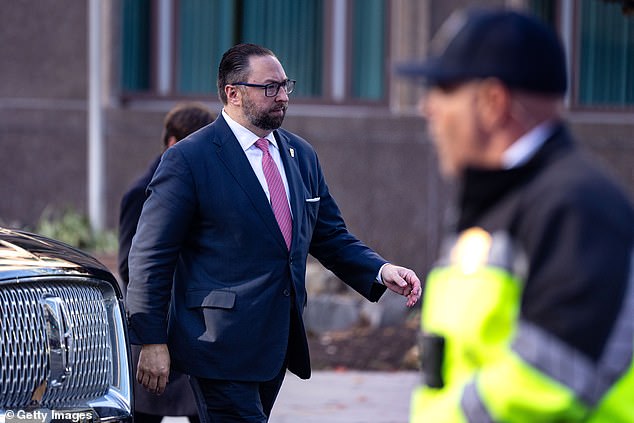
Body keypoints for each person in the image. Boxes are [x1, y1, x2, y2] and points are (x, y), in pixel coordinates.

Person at [126, 43, 422, 422]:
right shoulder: (188, 159)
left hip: (275, 345)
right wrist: (150, 339)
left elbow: (329, 235)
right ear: (233, 93)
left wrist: (380, 270)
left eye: (285, 86)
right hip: (216, 345)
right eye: (270, 87)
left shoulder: (301, 156)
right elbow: (151, 254)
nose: (282, 96)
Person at [397, 8, 634, 422]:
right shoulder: (504, 200)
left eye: (442, 89)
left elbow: (547, 382)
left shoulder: (576, 205)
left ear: (493, 102)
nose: (426, 109)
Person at [118, 102, 215, 423]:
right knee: (145, 415)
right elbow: (130, 266)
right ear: (173, 143)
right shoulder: (140, 192)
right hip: (157, 325)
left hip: (193, 330)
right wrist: (153, 330)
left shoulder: (200, 185)